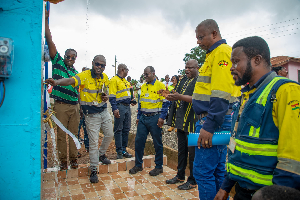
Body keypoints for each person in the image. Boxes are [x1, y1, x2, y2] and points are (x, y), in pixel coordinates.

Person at [214, 36, 300, 200]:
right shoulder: (246, 96)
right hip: (242, 191)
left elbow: (293, 160)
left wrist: (276, 196)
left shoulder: (286, 91)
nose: (231, 68)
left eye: (236, 61)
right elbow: (237, 147)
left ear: (257, 60)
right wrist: (226, 186)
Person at [45, 55, 114, 184]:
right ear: (93, 63)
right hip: (91, 115)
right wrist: (57, 82)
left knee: (110, 135)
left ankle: (102, 154)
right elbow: (70, 81)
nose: (100, 67)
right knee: (93, 143)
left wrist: (106, 96)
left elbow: (107, 92)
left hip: (104, 111)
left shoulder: (105, 77)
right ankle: (94, 168)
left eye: (103, 65)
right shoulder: (84, 75)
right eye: (98, 64)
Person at [192, 19, 236, 200]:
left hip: (213, 121)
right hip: (215, 120)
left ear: (214, 34)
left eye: (201, 37)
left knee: (202, 172)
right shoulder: (213, 54)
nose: (198, 42)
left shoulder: (222, 53)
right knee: (217, 170)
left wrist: (209, 125)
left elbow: (221, 93)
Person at [45, 10, 80, 170]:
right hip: (60, 106)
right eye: (69, 56)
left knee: (74, 134)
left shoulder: (76, 73)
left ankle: (73, 160)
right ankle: (63, 162)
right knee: (61, 136)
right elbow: (50, 41)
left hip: (74, 106)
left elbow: (78, 91)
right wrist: (46, 21)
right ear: (64, 56)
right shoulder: (58, 62)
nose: (70, 59)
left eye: (73, 57)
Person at [129, 66, 170, 176]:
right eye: (144, 74)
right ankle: (138, 165)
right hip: (143, 118)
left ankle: (158, 166)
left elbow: (166, 103)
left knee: (157, 143)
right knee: (139, 141)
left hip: (155, 118)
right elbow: (141, 103)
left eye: (147, 74)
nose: (145, 76)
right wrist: (138, 117)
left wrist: (162, 117)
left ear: (153, 73)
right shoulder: (143, 87)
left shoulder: (161, 86)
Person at [165, 59, 199, 190]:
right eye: (186, 67)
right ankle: (180, 175)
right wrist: (170, 96)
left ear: (197, 67)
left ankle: (193, 180)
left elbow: (197, 99)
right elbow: (177, 94)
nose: (187, 70)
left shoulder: (199, 81)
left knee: (193, 154)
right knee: (182, 151)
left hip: (192, 122)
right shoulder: (183, 80)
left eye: (190, 67)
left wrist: (179, 97)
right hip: (181, 122)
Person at [109, 64, 136, 159]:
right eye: (127, 70)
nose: (128, 72)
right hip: (119, 107)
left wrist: (131, 101)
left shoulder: (125, 81)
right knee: (119, 129)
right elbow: (112, 96)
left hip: (127, 107)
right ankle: (119, 151)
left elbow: (127, 94)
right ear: (123, 69)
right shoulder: (114, 80)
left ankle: (124, 150)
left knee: (126, 129)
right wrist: (114, 108)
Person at [77, 67, 90, 154]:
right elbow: (78, 95)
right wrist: (80, 108)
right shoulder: (79, 83)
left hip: (87, 110)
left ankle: (88, 147)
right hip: (79, 109)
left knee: (87, 129)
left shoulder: (89, 84)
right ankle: (76, 149)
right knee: (77, 129)